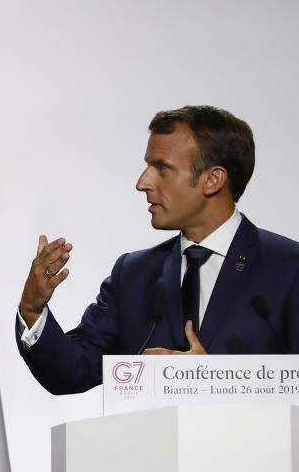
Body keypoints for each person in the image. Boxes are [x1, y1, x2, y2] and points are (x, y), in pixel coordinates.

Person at [17, 105, 299, 394]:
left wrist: (215, 383)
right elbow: (72, 373)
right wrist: (32, 309)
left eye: (162, 168)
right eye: (147, 166)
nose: (142, 183)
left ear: (212, 179)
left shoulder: (289, 268)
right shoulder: (134, 273)